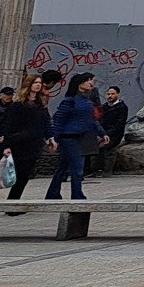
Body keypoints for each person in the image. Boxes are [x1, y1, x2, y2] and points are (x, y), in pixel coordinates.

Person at [45, 72, 108, 201]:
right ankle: (77, 195)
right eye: (88, 80)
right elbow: (58, 119)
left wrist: (102, 133)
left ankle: (53, 193)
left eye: (91, 80)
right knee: (77, 168)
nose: (91, 82)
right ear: (79, 83)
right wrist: (53, 137)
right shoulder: (69, 100)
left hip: (82, 136)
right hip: (69, 137)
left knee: (62, 167)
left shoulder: (87, 101)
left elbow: (91, 120)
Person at [0, 74, 55, 209]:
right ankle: (12, 203)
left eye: (39, 83)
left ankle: (13, 202)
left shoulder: (41, 104)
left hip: (34, 143)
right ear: (29, 85)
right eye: (35, 83)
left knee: (25, 174)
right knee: (21, 174)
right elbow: (9, 125)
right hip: (19, 142)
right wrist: (6, 145)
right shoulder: (18, 105)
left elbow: (46, 122)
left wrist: (50, 137)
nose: (38, 85)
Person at [98, 86, 129, 177]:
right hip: (103, 133)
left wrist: (106, 134)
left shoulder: (122, 108)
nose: (110, 96)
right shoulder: (104, 107)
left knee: (105, 146)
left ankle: (107, 171)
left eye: (112, 94)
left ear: (117, 94)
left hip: (114, 135)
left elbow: (119, 126)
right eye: (108, 94)